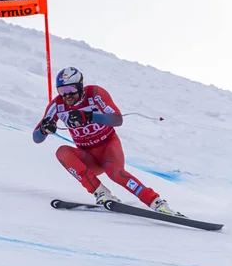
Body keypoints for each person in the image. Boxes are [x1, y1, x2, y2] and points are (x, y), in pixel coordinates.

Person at [33, 66, 184, 216]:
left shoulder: (95, 94)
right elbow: (37, 138)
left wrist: (89, 116)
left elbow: (117, 119)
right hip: (88, 157)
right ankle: (101, 193)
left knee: (115, 173)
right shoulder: (57, 105)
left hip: (108, 147)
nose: (67, 95)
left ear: (80, 86)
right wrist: (44, 129)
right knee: (62, 152)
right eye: (62, 91)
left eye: (71, 90)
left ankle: (157, 202)